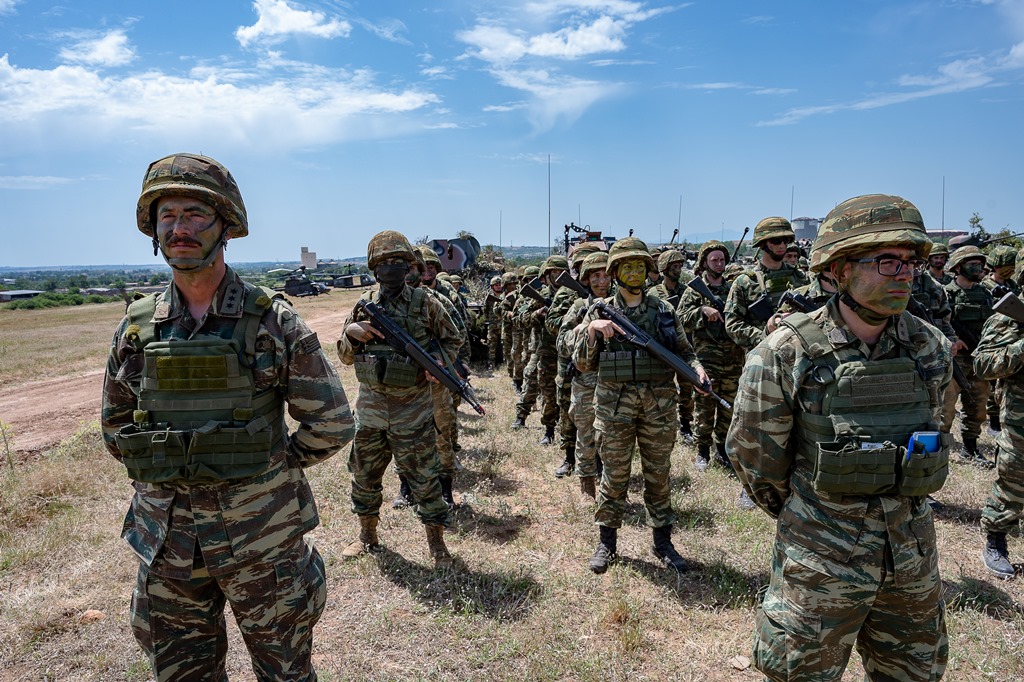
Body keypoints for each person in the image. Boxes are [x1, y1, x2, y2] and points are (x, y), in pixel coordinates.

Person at [101, 153, 355, 681]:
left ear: (226, 227)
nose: (180, 228)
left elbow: (331, 422)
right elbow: (115, 429)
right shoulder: (138, 327)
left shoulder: (272, 321)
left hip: (262, 545)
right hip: (169, 548)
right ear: (153, 229)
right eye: (167, 215)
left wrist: (267, 467)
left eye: (196, 214)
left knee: (286, 674)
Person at [726, 194, 951, 681]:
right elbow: (755, 459)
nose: (905, 274)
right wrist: (816, 517)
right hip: (820, 564)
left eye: (912, 261)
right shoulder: (784, 353)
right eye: (887, 261)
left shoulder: (927, 346)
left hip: (911, 556)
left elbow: (934, 432)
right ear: (840, 269)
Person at [573, 237, 709, 574]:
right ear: (615, 271)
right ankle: (607, 542)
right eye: (627, 266)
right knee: (615, 477)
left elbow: (684, 351)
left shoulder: (664, 310)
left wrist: (699, 370)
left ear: (648, 271)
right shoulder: (599, 310)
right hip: (614, 408)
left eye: (640, 266)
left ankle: (662, 542)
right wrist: (591, 331)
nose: (634, 272)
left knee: (658, 476)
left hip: (658, 408)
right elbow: (582, 363)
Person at [337, 231, 462, 568]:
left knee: (425, 480)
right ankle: (367, 536)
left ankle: (437, 545)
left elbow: (453, 340)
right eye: (383, 263)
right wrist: (351, 334)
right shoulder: (364, 304)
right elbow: (344, 356)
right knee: (364, 477)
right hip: (371, 412)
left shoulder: (426, 303)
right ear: (374, 268)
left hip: (413, 411)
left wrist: (438, 362)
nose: (390, 268)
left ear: (409, 267)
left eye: (397, 262)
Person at [679, 240, 743, 471]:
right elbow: (681, 319)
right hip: (706, 359)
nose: (719, 263)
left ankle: (723, 450)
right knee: (705, 406)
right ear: (704, 262)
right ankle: (702, 451)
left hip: (734, 359)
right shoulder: (694, 290)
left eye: (722, 259)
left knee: (729, 407)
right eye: (714, 260)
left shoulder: (734, 289)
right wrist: (702, 311)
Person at [974, 292, 1024, 579]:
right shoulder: (1007, 320)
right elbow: (982, 366)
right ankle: (995, 540)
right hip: (1021, 419)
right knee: (1014, 481)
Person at [558, 251, 612, 497]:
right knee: (586, 435)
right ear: (587, 280)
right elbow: (561, 342)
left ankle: (610, 484)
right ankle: (587, 486)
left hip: (614, 380)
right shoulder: (579, 306)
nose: (602, 281)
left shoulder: (620, 303)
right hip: (586, 381)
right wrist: (583, 329)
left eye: (606, 275)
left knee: (611, 437)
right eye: (596, 276)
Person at [941, 245, 995, 467]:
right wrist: (953, 339)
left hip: (979, 357)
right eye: (971, 264)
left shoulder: (986, 294)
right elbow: (938, 322)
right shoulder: (946, 293)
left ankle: (970, 448)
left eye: (980, 264)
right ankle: (939, 450)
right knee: (946, 407)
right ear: (958, 267)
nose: (978, 268)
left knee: (978, 405)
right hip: (956, 358)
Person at [652, 249, 696, 442]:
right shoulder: (653, 294)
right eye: (674, 267)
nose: (678, 270)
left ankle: (686, 425)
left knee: (687, 388)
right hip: (662, 348)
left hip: (683, 344)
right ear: (664, 269)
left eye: (680, 266)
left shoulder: (688, 291)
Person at [484, 275, 505, 370]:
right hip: (493, 324)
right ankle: (491, 363)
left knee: (505, 344)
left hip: (504, 323)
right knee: (491, 344)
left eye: (500, 284)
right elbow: (485, 310)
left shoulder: (506, 295)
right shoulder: (489, 297)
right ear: (492, 286)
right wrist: (488, 320)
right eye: (496, 285)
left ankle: (505, 363)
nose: (498, 286)